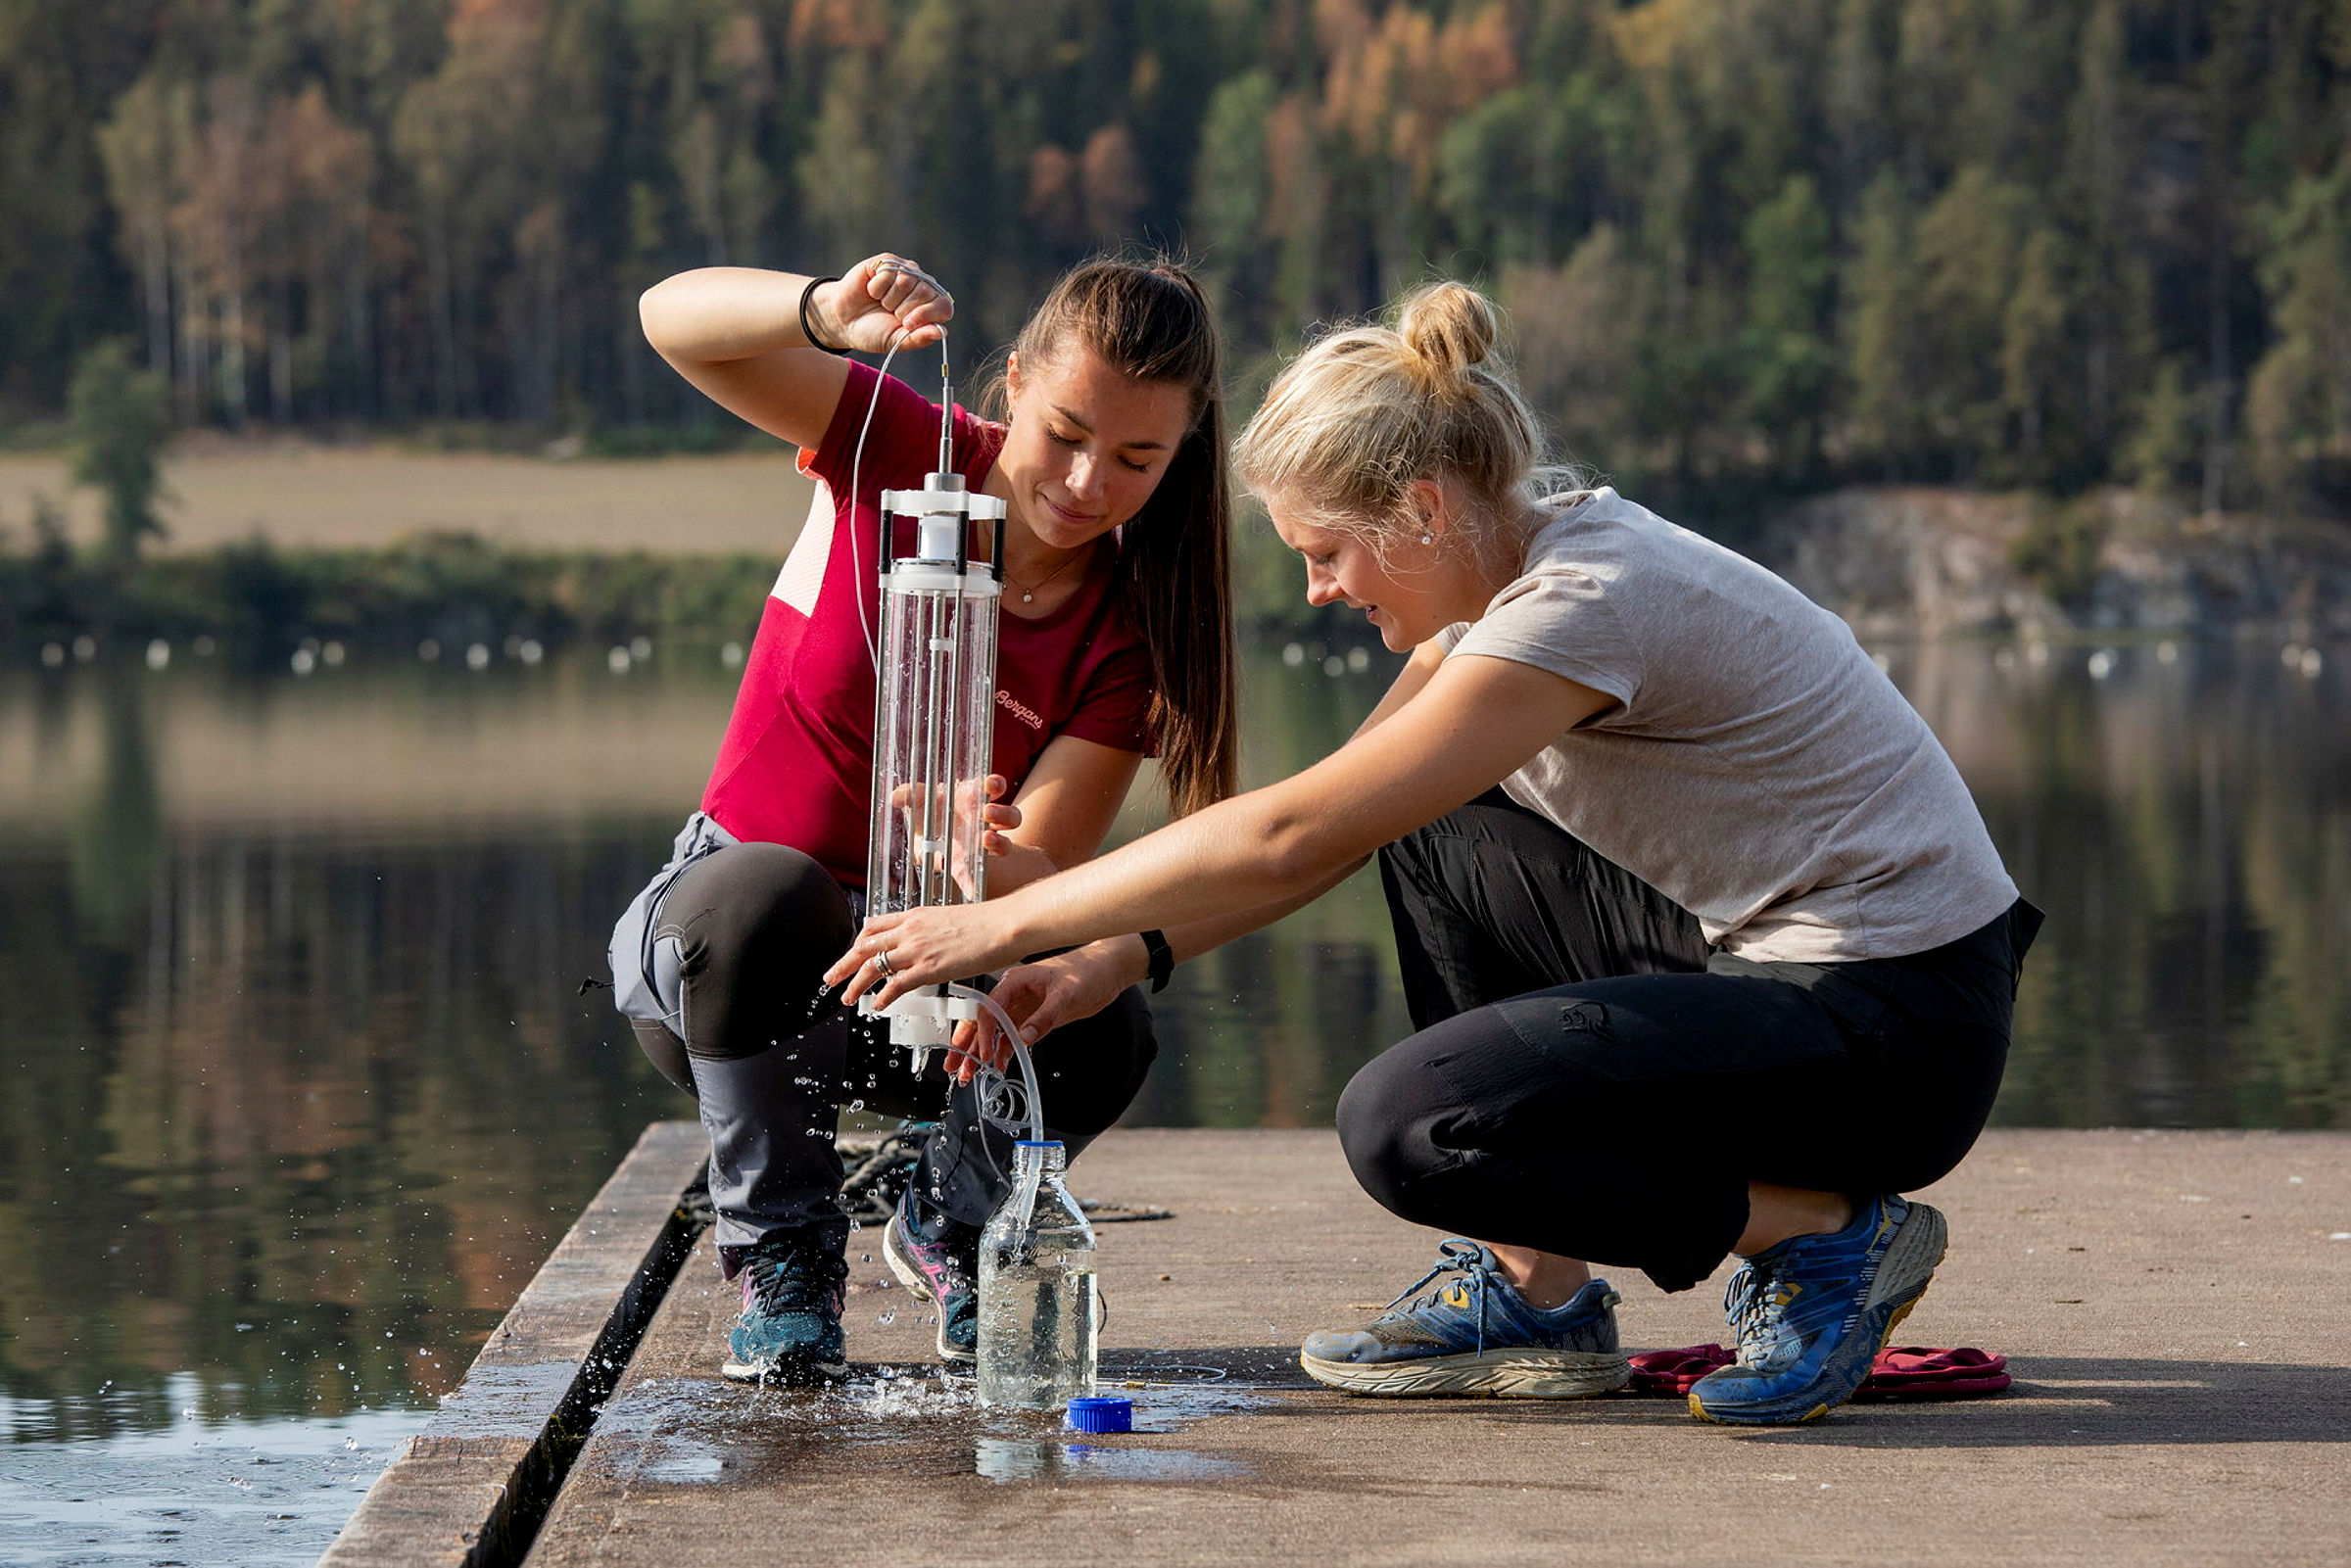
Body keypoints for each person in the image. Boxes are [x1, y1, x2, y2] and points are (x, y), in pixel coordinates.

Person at [829, 279, 2040, 1426]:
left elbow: (1286, 830)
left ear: (1420, 509)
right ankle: (1539, 1290)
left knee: (1413, 1126)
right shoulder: (1512, 586)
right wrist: (1105, 960)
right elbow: (1320, 832)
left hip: (1897, 1036)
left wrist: (995, 927)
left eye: (1327, 552)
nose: (1313, 589)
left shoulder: (1584, 602)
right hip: (1801, 987)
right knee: (1425, 816)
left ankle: (1818, 1236)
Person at [612, 252, 1237, 1383]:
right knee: (767, 895)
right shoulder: (896, 447)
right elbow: (670, 322)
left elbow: (1050, 878)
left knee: (1106, 1016)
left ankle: (951, 1221)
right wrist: (822, 313)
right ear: (1013, 391)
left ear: (1177, 459)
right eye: (1067, 434)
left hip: (927, 987)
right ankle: (785, 1261)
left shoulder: (1124, 639)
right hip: (726, 963)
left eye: (1136, 458)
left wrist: (987, 858)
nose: (1090, 481)